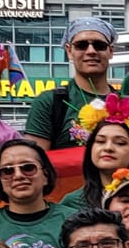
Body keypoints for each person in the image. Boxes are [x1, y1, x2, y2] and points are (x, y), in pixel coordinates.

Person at [25, 14, 120, 149]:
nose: (91, 51)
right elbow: (34, 159)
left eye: (99, 45)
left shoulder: (125, 103)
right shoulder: (49, 102)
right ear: (69, 51)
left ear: (110, 51)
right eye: (81, 45)